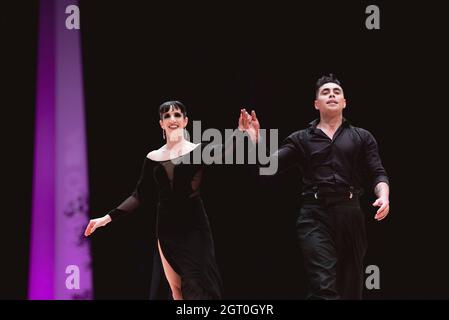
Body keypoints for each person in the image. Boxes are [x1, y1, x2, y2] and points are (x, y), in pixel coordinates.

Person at [84, 101, 253, 300]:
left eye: (177, 115)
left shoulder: (197, 150)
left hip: (194, 227)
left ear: (185, 121)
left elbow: (225, 150)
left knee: (198, 284)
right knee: (176, 290)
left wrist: (241, 131)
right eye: (167, 116)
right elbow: (139, 195)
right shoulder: (153, 156)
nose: (172, 119)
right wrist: (106, 218)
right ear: (161, 124)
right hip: (166, 228)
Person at [242, 74, 390, 299]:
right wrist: (255, 140)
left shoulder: (363, 136)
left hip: (350, 214)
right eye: (325, 92)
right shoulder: (301, 139)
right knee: (322, 284)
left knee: (351, 288)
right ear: (316, 104)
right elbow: (268, 166)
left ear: (344, 102)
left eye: (336, 92)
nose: (331, 94)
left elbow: (378, 173)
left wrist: (384, 196)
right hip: (314, 215)